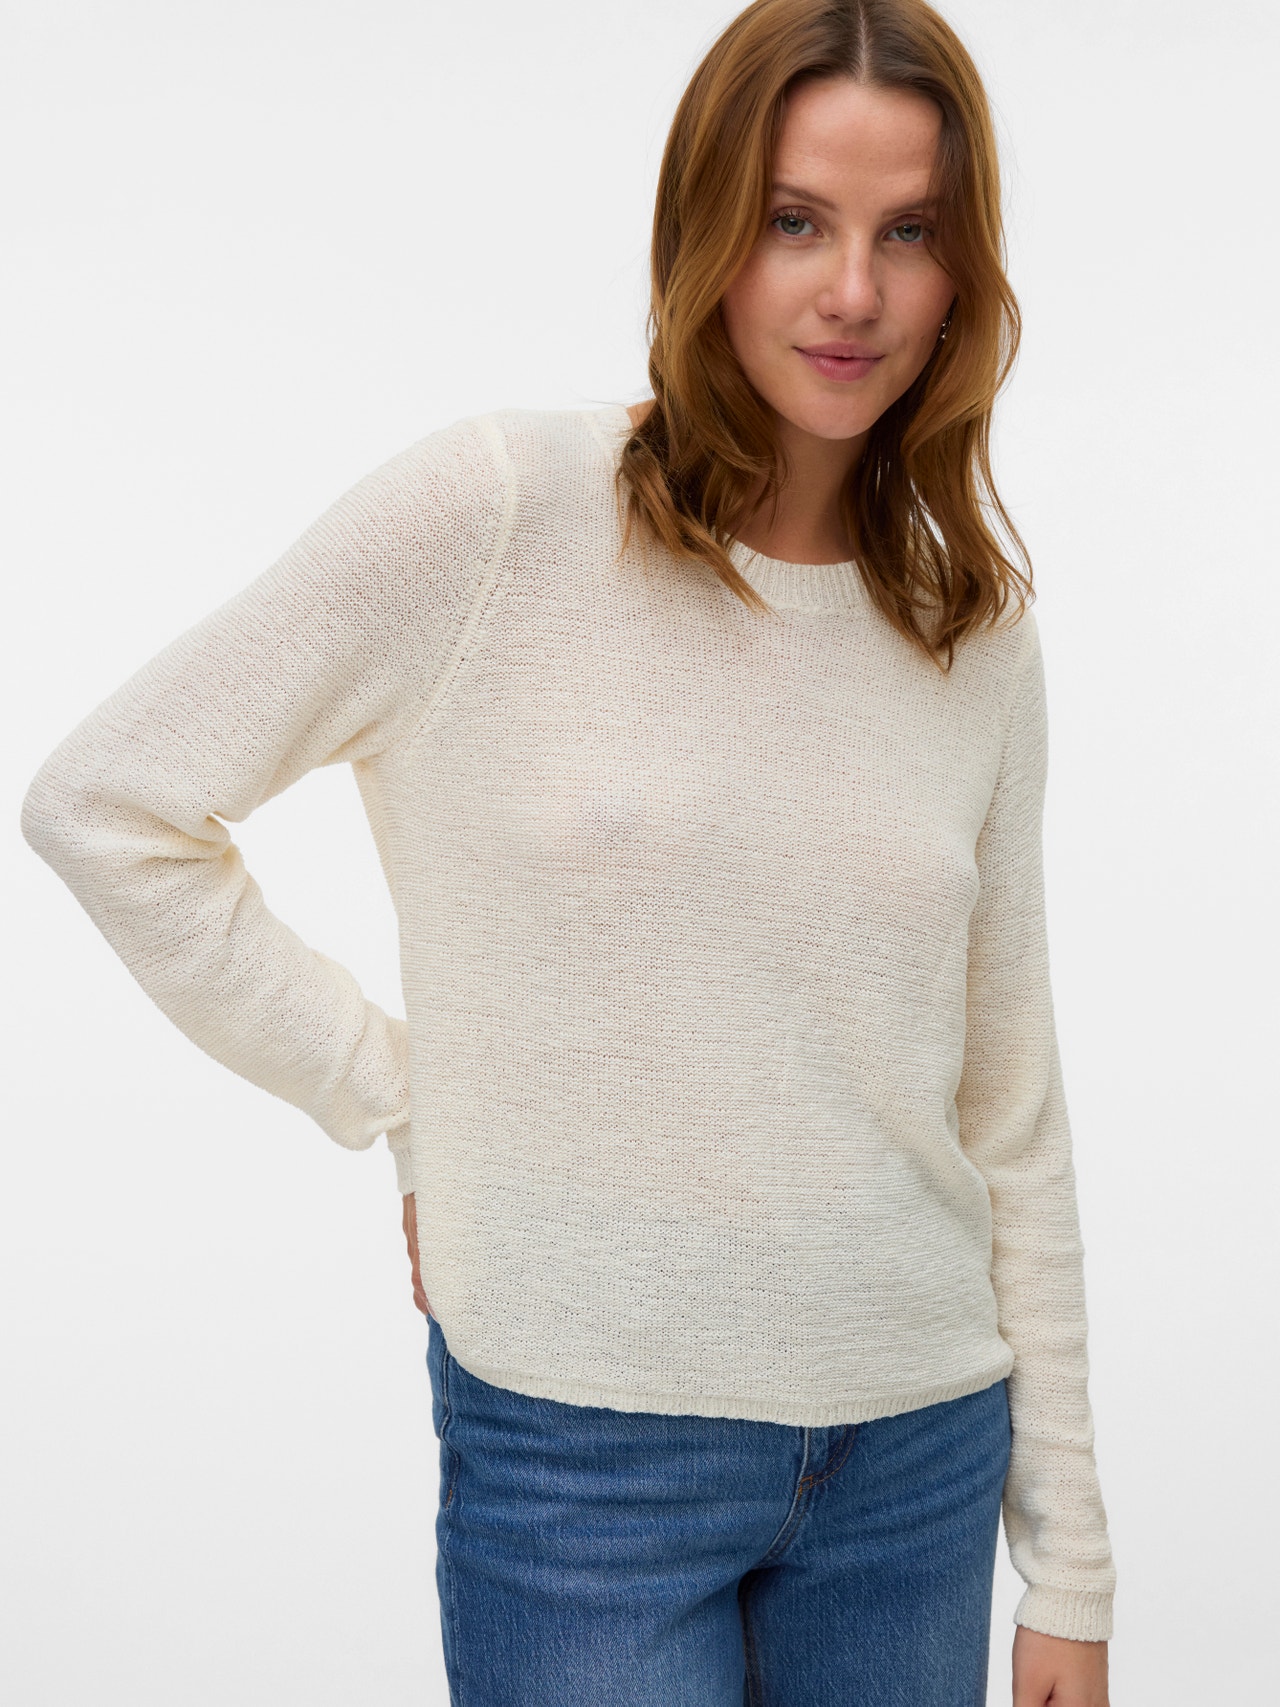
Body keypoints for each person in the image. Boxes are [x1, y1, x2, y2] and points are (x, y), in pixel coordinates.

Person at [20, 0, 1117, 1702]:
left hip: (918, 1458)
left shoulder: (973, 633)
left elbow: (1011, 1107)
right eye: (796, 220)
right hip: (586, 1458)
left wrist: (1075, 1570)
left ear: (963, 275)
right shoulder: (500, 514)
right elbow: (110, 804)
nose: (854, 291)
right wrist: (401, 1097)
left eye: (909, 233)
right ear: (705, 234)